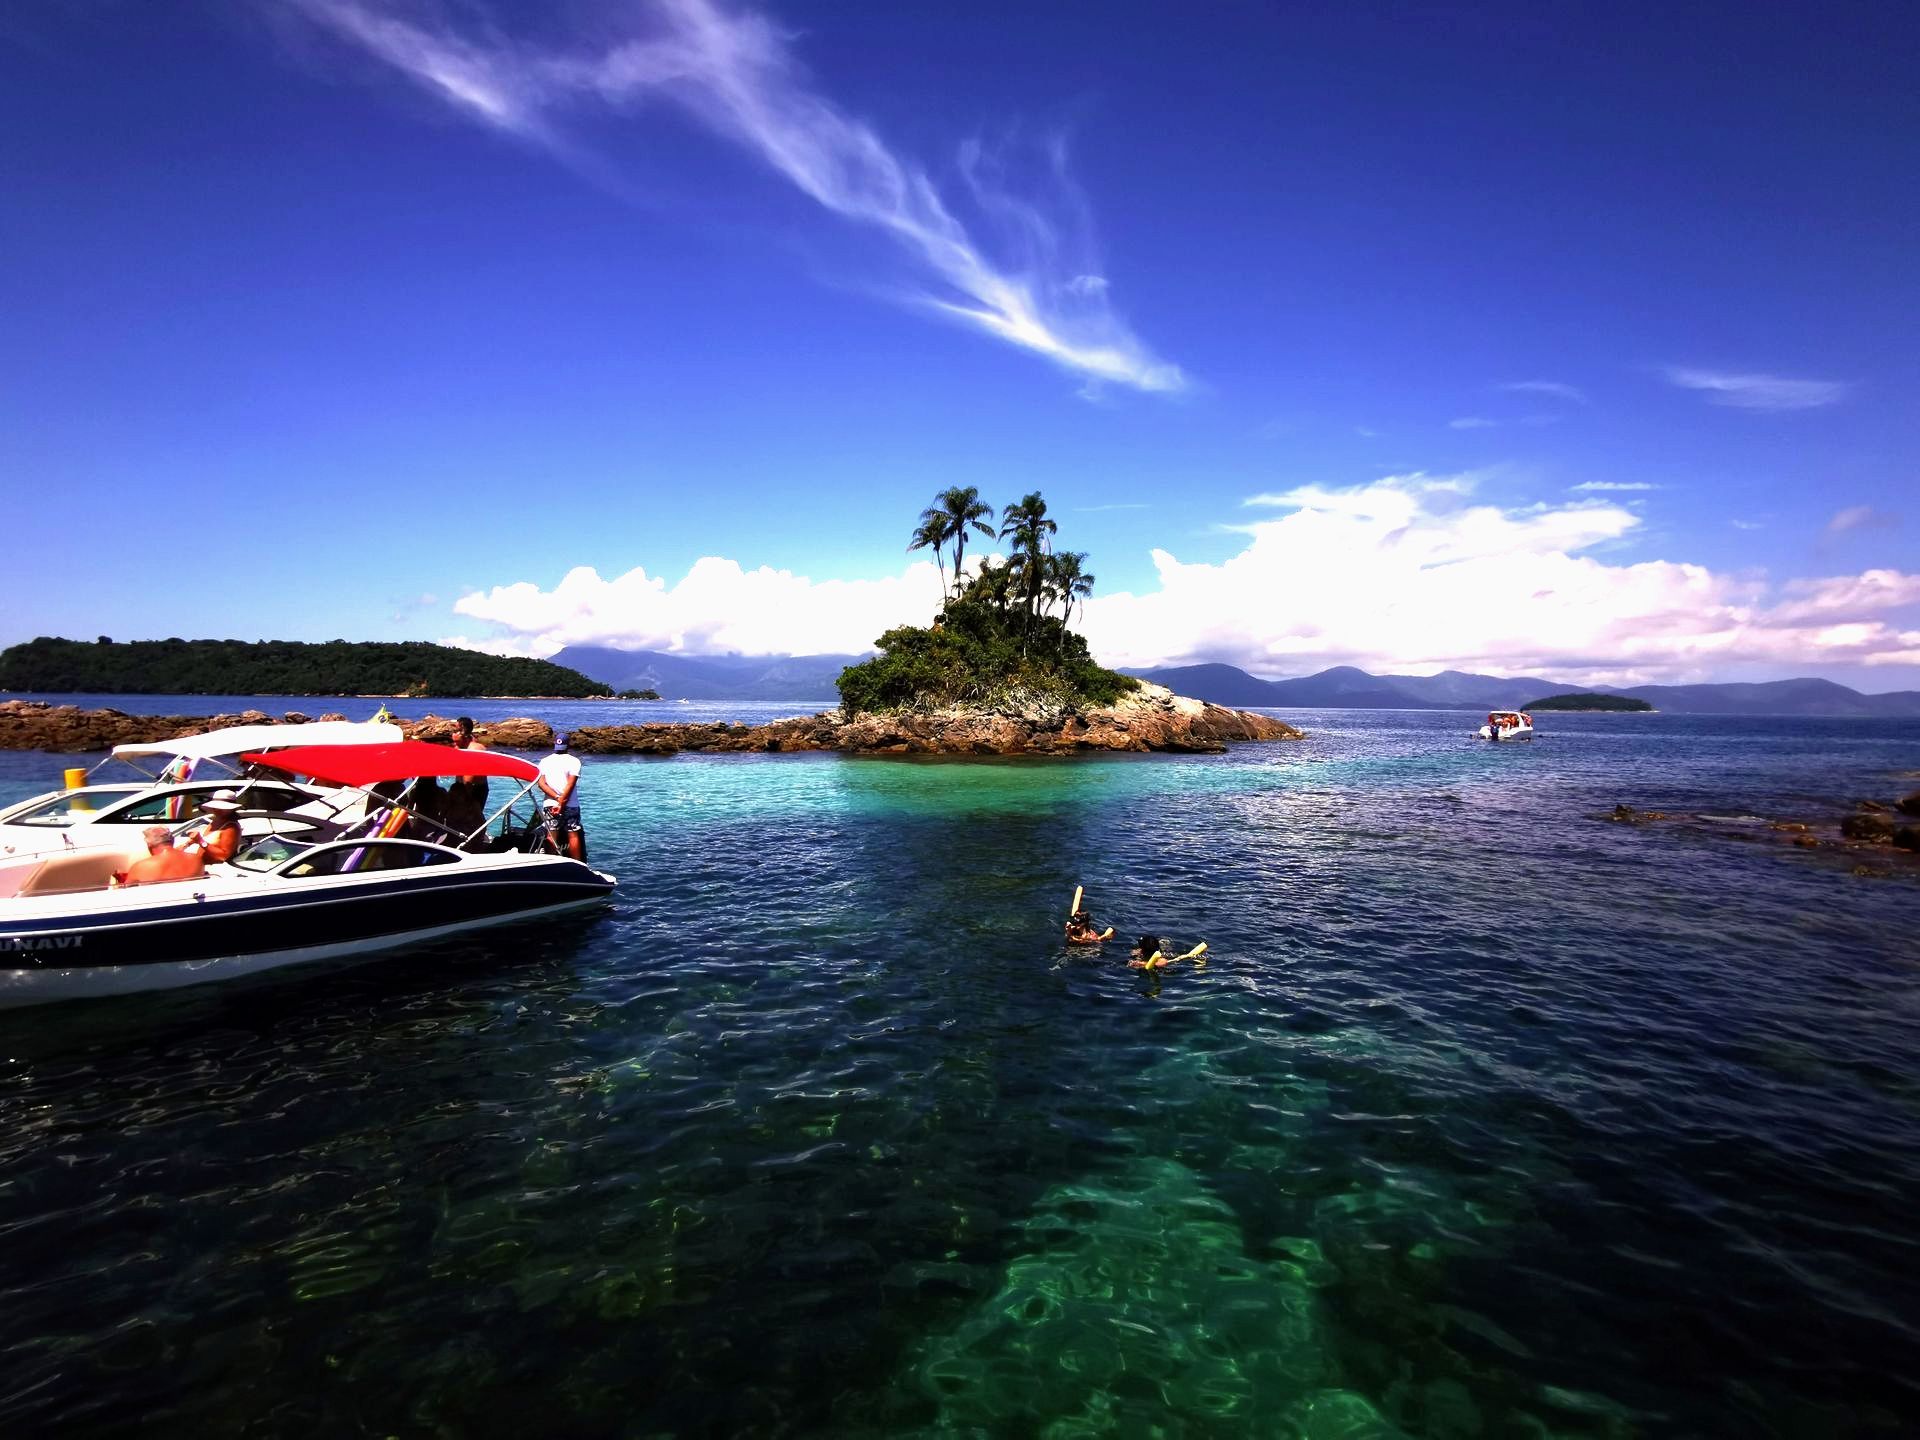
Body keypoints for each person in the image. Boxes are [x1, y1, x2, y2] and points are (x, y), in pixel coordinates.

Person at [536, 733, 585, 861]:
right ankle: (578, 867)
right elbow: (570, 784)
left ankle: (550, 865)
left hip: (550, 804)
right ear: (568, 745)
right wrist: (562, 802)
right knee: (573, 835)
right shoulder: (574, 761)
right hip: (570, 804)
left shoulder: (544, 761)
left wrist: (557, 799)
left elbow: (541, 784)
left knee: (551, 835)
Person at [442, 716, 490, 842]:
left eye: (455, 730)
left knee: (471, 816)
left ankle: (472, 839)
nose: (454, 745)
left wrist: (464, 796)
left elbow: (468, 780)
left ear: (462, 731)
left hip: (473, 788)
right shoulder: (463, 745)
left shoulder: (474, 749)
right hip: (463, 786)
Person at [120, 825, 206, 887]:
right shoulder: (196, 859)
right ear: (172, 840)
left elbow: (126, 891)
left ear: (149, 844)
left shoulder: (140, 867)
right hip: (191, 908)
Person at [178, 790, 243, 864]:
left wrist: (200, 841)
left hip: (216, 870)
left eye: (221, 807)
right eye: (215, 807)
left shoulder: (232, 827)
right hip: (202, 866)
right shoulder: (216, 820)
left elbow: (224, 856)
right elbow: (206, 841)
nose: (217, 809)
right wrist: (187, 844)